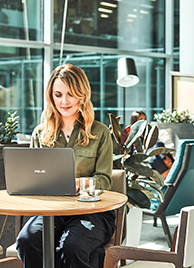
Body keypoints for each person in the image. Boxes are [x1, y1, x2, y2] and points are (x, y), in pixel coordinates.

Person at [16, 64, 114, 268]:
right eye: (58, 94)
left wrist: (80, 183)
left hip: (91, 211)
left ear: (82, 94)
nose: (64, 101)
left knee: (72, 247)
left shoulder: (100, 132)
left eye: (71, 94)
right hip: (52, 211)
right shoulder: (40, 134)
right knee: (27, 241)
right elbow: (34, 179)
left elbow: (105, 180)